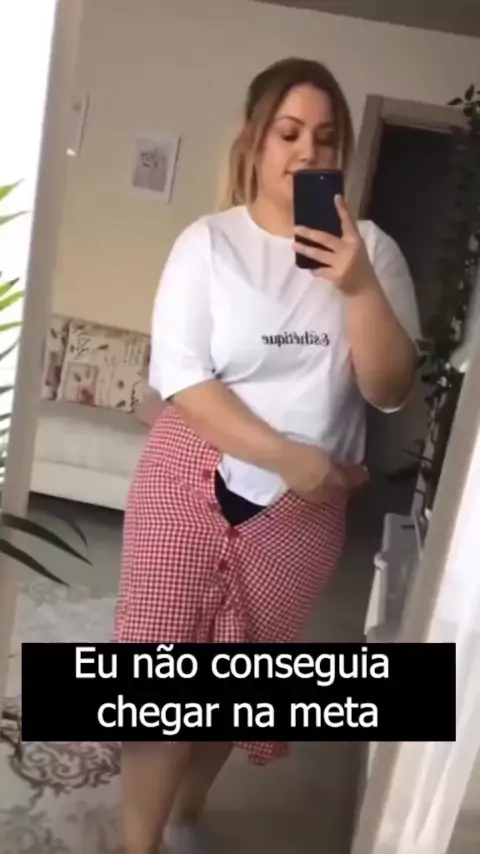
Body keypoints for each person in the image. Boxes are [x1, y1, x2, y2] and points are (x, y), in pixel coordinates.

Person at [113, 56, 421, 854]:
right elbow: (183, 378)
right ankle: (140, 844)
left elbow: (390, 389)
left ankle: (187, 812)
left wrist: (357, 286)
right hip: (191, 478)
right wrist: (288, 458)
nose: (307, 151)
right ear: (255, 141)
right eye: (288, 133)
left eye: (325, 137)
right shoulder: (207, 244)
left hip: (302, 512)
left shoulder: (374, 251)